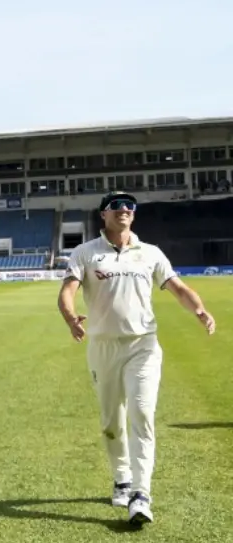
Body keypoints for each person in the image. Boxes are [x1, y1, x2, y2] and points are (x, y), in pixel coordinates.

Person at [57, 190, 216, 525]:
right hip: (103, 347)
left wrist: (199, 310)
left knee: (142, 414)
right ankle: (122, 478)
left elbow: (177, 287)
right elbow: (67, 292)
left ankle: (141, 494)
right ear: (104, 214)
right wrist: (71, 317)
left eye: (130, 205)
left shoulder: (150, 253)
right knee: (111, 422)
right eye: (116, 206)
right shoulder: (85, 253)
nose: (124, 209)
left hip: (143, 345)